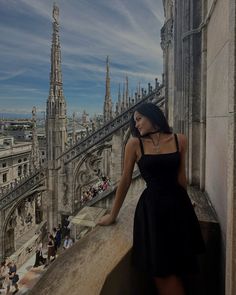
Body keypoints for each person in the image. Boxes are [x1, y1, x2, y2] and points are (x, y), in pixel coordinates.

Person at [97, 103, 205, 295]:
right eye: (134, 121)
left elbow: (181, 177)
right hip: (152, 211)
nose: (136, 125)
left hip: (179, 208)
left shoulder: (180, 139)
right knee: (161, 272)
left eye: (138, 119)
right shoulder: (134, 144)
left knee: (177, 266)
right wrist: (113, 215)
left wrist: (188, 201)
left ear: (152, 115)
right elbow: (125, 180)